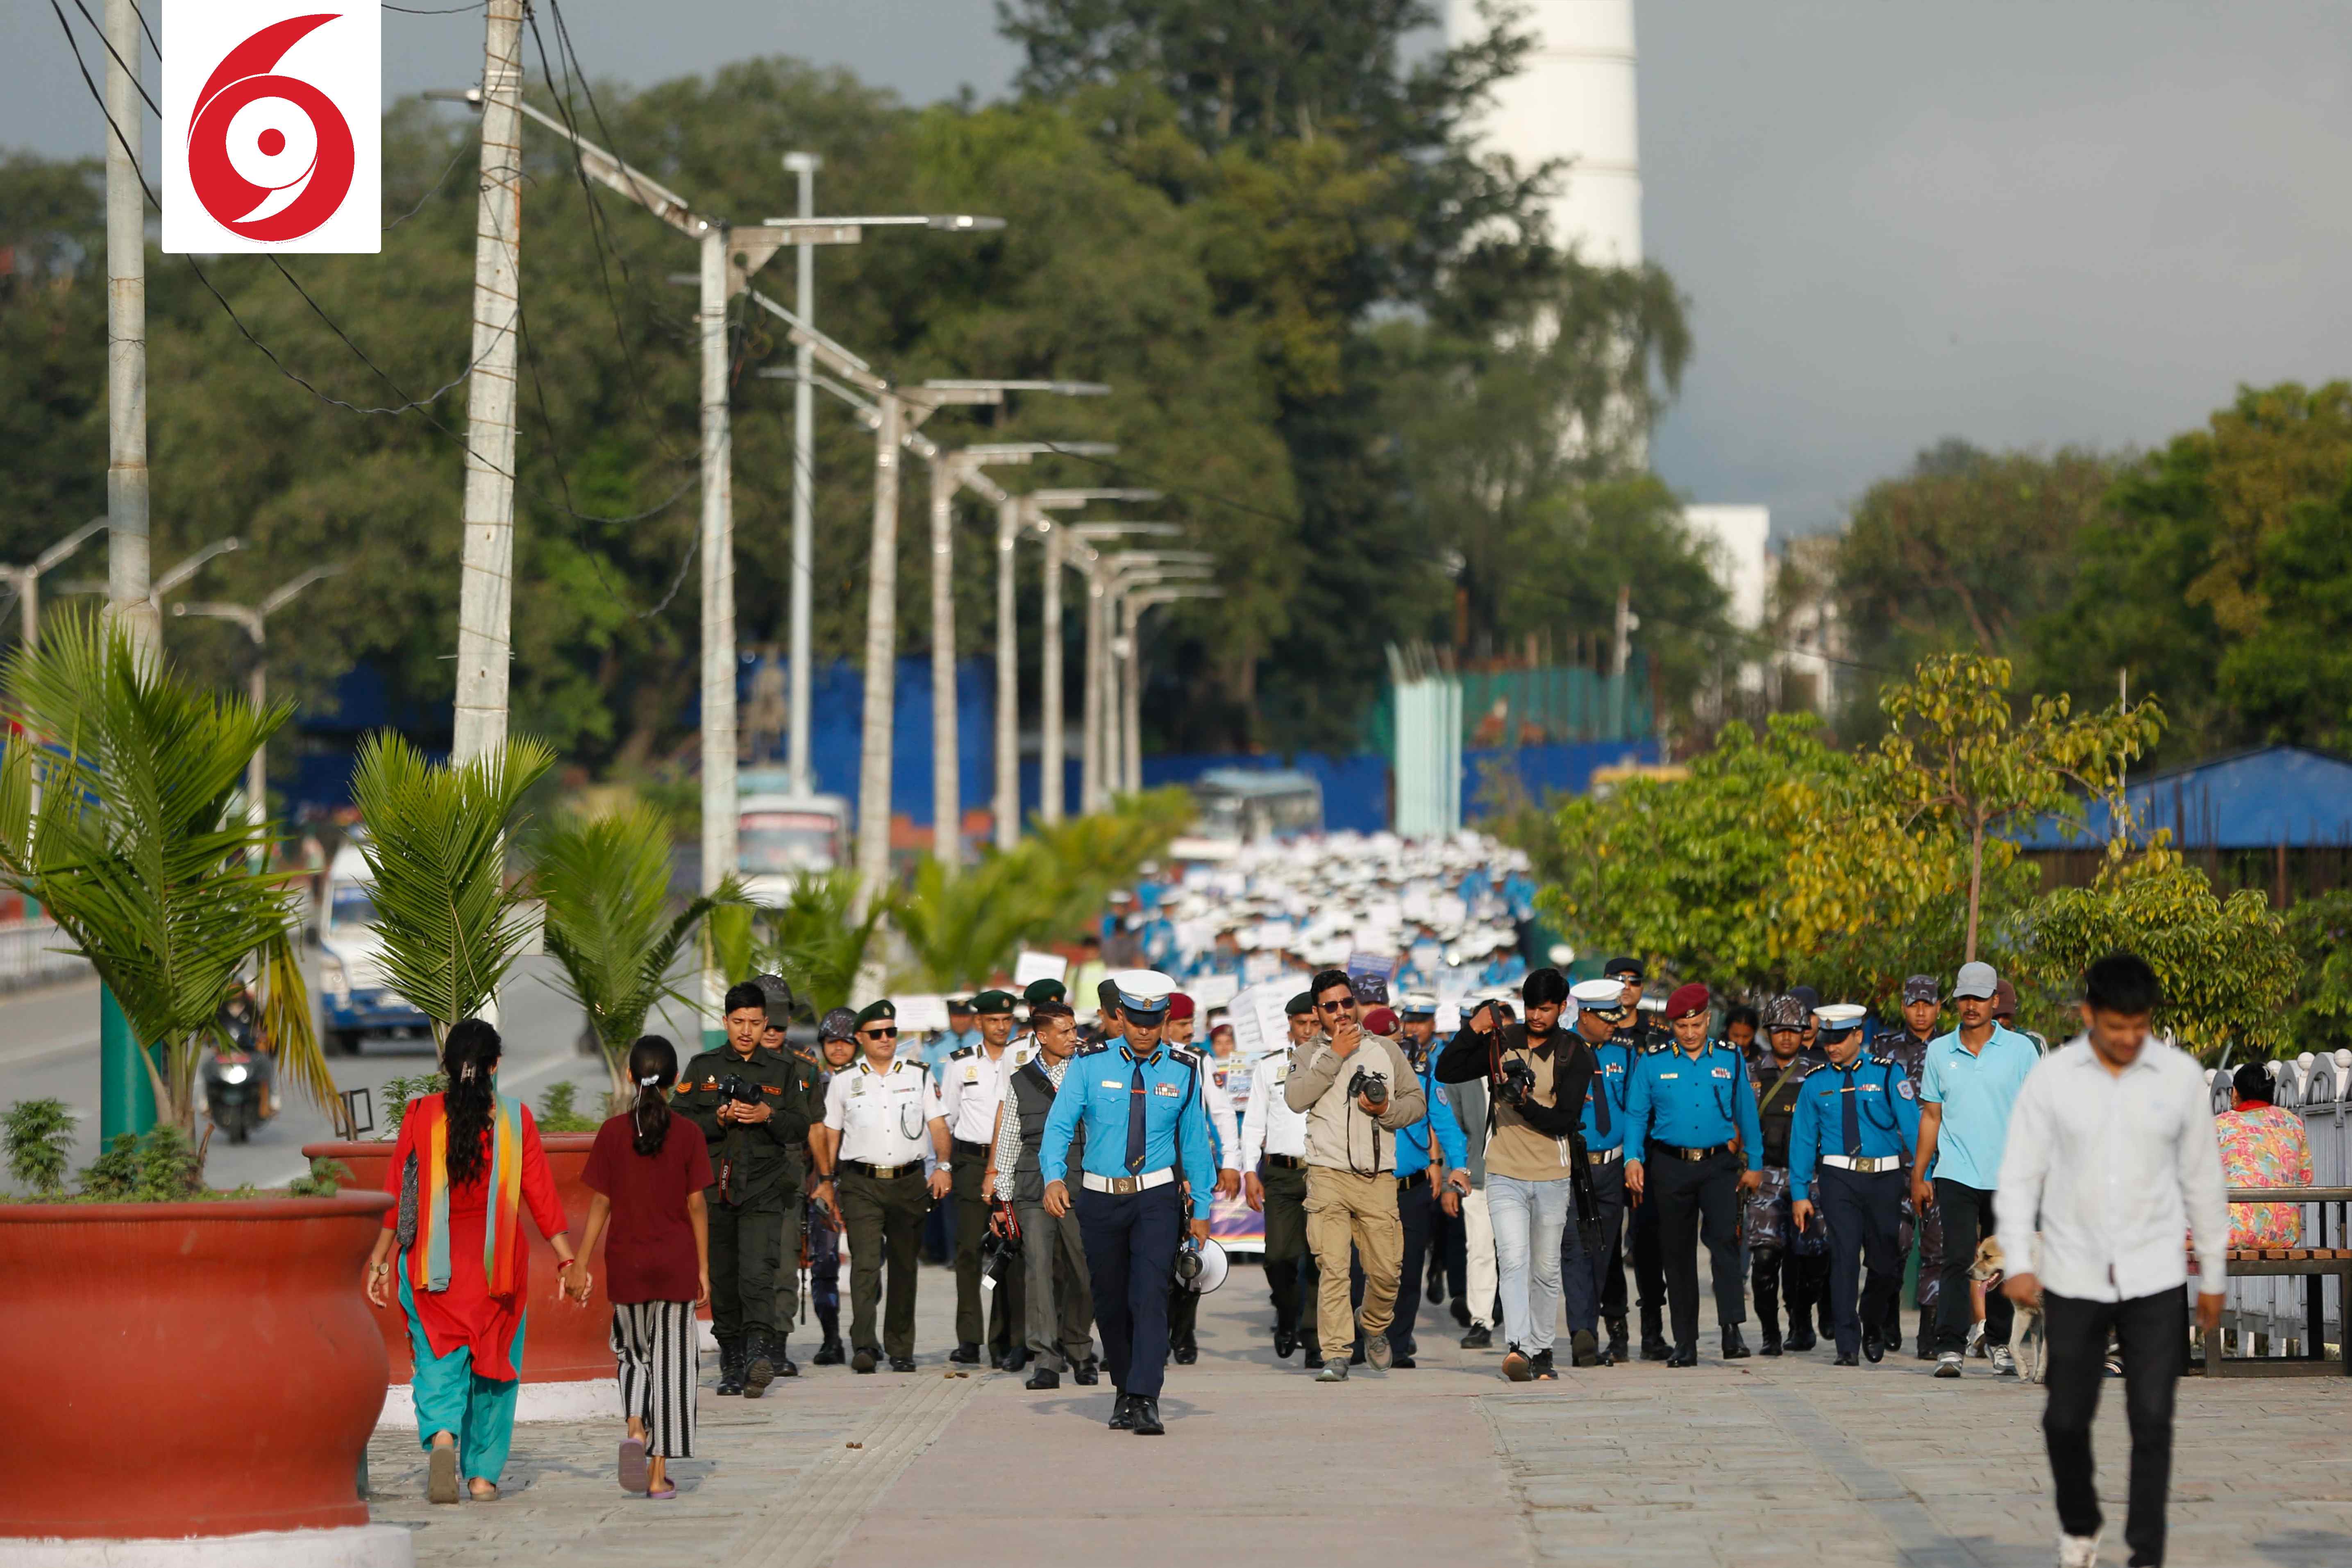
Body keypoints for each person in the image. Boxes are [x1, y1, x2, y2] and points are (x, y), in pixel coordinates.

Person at [1995, 953, 2227, 1568]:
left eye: (2140, 1025)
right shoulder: (2053, 1079)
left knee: (2153, 1417)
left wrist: (2213, 1271)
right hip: (2073, 1274)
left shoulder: (2178, 1077)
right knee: (2064, 1418)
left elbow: (2203, 1178)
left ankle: (2146, 1552)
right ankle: (2081, 1522)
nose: (2128, 1038)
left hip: (2155, 1275)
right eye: (2116, 1024)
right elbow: (2020, 1174)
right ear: (2089, 1012)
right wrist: (2018, 1259)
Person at [363, 1019, 578, 1504]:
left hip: (430, 1268)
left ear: (445, 1065)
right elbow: (541, 1196)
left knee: (438, 1361)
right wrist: (567, 1262)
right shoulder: (515, 1120)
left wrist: (379, 1259)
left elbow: (399, 1192)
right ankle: (482, 1475)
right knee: (495, 1367)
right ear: (495, 1066)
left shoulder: (421, 1114)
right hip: (496, 1271)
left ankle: (442, 1435)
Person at [1040, 969, 1217, 1436]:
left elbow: (1195, 1141)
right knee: (1111, 1300)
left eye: (1153, 1020)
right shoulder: (1089, 1063)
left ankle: (1145, 1397)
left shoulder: (1184, 1067)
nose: (1143, 1029)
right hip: (1100, 1197)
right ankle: (1123, 1389)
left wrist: (1201, 1207)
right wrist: (1054, 1177)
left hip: (1156, 1197)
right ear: (1120, 1015)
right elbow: (1059, 1125)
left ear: (1164, 1018)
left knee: (1150, 1295)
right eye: (1135, 1019)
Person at [568, 1036, 711, 1500]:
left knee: (633, 1354)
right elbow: (696, 1205)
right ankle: (656, 1475)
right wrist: (704, 1270)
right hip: (674, 1264)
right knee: (673, 1366)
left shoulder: (612, 1132)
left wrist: (581, 1261)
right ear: (676, 1081)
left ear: (630, 1075)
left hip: (626, 1264)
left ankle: (634, 1425)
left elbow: (601, 1201)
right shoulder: (689, 1133)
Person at [1435, 969, 1589, 1379]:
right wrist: (1473, 1028)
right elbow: (1446, 1071)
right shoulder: (1502, 1042)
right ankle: (1518, 1348)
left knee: (1545, 1268)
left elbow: (1564, 1120)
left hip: (1552, 1174)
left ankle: (1543, 1350)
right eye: (1530, 1007)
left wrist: (1522, 1104)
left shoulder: (1574, 1051)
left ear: (1561, 1006)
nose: (1536, 1016)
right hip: (1503, 1170)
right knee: (1514, 1259)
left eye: (1545, 1008)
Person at [1284, 966, 1428, 1382]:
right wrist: (1336, 1055)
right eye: (1332, 1006)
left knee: (1387, 1270)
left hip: (1376, 1177)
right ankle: (1336, 1353)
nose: (1342, 1012)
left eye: (1348, 1002)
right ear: (1318, 1011)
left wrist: (1386, 1112)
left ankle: (1374, 1322)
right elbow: (1296, 1098)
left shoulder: (1385, 1048)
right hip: (1327, 1174)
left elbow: (1416, 1102)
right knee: (1333, 1267)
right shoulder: (1308, 1054)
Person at [674, 981, 815, 1397]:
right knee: (724, 1276)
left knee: (757, 1272)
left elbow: (799, 1126)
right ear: (725, 1022)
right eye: (738, 1022)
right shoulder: (703, 1066)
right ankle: (731, 1362)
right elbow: (678, 1121)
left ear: (765, 1023)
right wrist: (717, 1117)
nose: (747, 1030)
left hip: (765, 1187)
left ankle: (758, 1355)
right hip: (714, 1190)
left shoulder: (783, 1070)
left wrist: (768, 1113)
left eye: (755, 1022)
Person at [1623, 982, 1763, 1366]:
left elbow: (1746, 1113)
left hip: (1719, 1164)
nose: (1689, 1033)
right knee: (1677, 1253)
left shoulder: (1730, 1058)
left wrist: (1756, 1162)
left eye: (1696, 1025)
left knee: (1724, 1240)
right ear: (1673, 1025)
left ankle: (1731, 1328)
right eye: (1681, 1027)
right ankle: (1686, 1341)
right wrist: (1632, 1159)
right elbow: (1636, 1114)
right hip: (1670, 1165)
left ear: (1707, 1020)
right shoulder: (1653, 1061)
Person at [1914, 960, 2041, 1379]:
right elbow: (1931, 1115)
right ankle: (1949, 1346)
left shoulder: (2022, 1050)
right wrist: (1920, 1173)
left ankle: (2002, 1342)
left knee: (2005, 1260)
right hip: (1956, 1171)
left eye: (1979, 997)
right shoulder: (1938, 1051)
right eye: (1964, 997)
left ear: (1994, 1001)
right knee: (1954, 1257)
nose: (1971, 1005)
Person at [811, 999, 953, 1373]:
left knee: (906, 1267)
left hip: (909, 1182)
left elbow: (938, 1125)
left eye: (891, 1031)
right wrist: (826, 1181)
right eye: (877, 1033)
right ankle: (864, 1344)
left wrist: (944, 1165)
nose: (886, 1039)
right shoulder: (843, 1082)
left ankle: (901, 1347)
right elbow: (829, 1132)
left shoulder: (919, 1075)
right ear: (861, 1038)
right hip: (861, 1184)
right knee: (866, 1264)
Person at [1788, 1004, 1920, 1367]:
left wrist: (1925, 1173)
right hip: (1838, 1176)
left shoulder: (1888, 1074)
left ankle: (1873, 1320)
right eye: (1826, 1039)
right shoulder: (1816, 1082)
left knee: (1885, 1262)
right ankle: (1847, 1343)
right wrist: (1800, 1193)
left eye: (1839, 1039)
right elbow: (1802, 1141)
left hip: (1884, 1177)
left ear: (1858, 1036)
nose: (1831, 1047)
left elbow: (1912, 1127)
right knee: (1844, 1255)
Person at [985, 998, 1099, 1389]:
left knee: (1083, 1270)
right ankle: (1046, 1359)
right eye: (1065, 1031)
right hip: (1032, 1186)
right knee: (1037, 1273)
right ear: (1042, 1036)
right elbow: (1010, 1139)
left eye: (1074, 1029)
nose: (1074, 1036)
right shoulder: (1020, 1080)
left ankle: (1081, 1349)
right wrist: (1003, 1198)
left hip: (1079, 1182)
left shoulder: (1088, 1070)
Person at [941, 989, 1033, 1370]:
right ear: (979, 1022)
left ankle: (1007, 1340)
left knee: (1008, 1251)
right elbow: (945, 1118)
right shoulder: (960, 1064)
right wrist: (942, 1166)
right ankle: (969, 1338)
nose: (1000, 1027)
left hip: (1012, 1161)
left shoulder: (1022, 1058)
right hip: (969, 1161)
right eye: (993, 1020)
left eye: (1006, 1020)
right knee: (967, 1251)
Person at [1371, 1002, 1467, 1368]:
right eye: (1386, 1042)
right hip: (1370, 1187)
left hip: (1410, 1187)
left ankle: (1397, 1341)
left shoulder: (1424, 1076)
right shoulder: (1352, 1077)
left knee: (1409, 1268)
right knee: (1370, 1269)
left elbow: (1445, 1124)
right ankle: (1367, 1334)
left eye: (1397, 1041)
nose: (1395, 1049)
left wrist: (1456, 1166)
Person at [1164, 992, 1245, 1364]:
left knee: (1190, 1253)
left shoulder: (1198, 1059)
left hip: (1191, 1168)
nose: (1188, 1030)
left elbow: (1223, 1111)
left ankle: (1183, 1334)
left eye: (1190, 1023)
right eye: (1181, 1023)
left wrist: (1230, 1160)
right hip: (1151, 1168)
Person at [749, 973, 823, 1377]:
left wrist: (824, 1176)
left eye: (780, 1023)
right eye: (767, 1022)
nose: (774, 1031)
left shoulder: (805, 1067)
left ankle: (777, 1342)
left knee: (782, 1262)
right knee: (747, 1262)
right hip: (741, 1176)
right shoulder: (726, 1064)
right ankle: (749, 1342)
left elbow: (815, 1126)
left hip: (788, 1175)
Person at [1601, 956, 1674, 1362]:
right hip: (1608, 1151)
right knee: (1607, 1242)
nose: (1627, 987)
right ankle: (1615, 1327)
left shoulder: (1658, 1034)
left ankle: (1652, 1329)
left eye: (1634, 981)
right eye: (1618, 980)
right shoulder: (1597, 1031)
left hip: (1650, 1151)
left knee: (1649, 1242)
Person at [1240, 991, 1319, 1361]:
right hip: (1281, 1173)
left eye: (1315, 1023)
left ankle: (1315, 1337)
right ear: (1289, 1025)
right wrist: (1248, 1171)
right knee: (1279, 1258)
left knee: (1322, 1259)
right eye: (1301, 1023)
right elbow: (1254, 1122)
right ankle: (1287, 1316)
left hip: (1324, 1171)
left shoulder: (1336, 1063)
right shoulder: (1270, 1067)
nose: (1308, 1030)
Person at [1745, 995, 1822, 1357]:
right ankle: (1770, 1331)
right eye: (1780, 1031)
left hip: (1808, 1178)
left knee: (1810, 1259)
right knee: (1764, 1260)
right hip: (1766, 1177)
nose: (1787, 1038)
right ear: (1768, 1033)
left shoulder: (1818, 1073)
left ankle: (1802, 1320)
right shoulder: (1751, 1073)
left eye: (1794, 1030)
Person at [1879, 974, 1946, 1361]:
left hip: (1942, 1163)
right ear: (1903, 1006)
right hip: (1895, 1162)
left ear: (1939, 1007)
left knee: (1938, 1249)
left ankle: (1930, 1333)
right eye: (1913, 1003)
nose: (1920, 1011)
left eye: (1928, 1003)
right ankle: (1888, 1318)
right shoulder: (1883, 1047)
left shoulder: (1952, 1047)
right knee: (1894, 1244)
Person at [1571, 978, 1636, 1362]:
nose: (1614, 1024)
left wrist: (1633, 1159)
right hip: (1574, 1167)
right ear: (1584, 1014)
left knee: (1603, 1252)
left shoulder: (1625, 1054)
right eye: (1606, 1018)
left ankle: (1599, 1327)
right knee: (1577, 1251)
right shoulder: (1560, 1050)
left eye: (1617, 1017)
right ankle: (1582, 1331)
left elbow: (1634, 1109)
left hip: (1612, 1166)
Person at [801, 1008, 859, 1365]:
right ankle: (831, 1338)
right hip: (820, 1183)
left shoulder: (868, 1081)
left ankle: (863, 1336)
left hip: (860, 1181)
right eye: (831, 1041)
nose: (838, 1048)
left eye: (846, 1041)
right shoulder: (813, 1083)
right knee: (823, 1264)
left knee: (870, 1263)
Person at [2214, 1061, 2313, 1248]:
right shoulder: (2293, 1123)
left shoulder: (2219, 1125)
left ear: (2235, 1093)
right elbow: (2305, 1180)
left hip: (2231, 1231)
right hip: (2284, 1233)